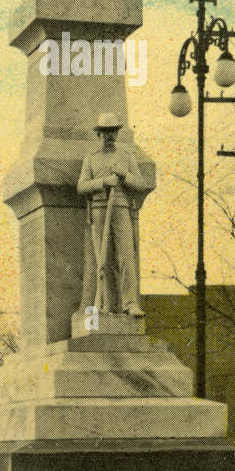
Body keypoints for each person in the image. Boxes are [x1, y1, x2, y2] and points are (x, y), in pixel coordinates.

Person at [77, 112, 144, 317]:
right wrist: (103, 183)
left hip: (121, 208)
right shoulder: (91, 159)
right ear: (99, 134)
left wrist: (124, 176)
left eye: (113, 131)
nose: (109, 135)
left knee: (126, 257)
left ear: (117, 133)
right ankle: (107, 304)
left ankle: (130, 303)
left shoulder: (126, 157)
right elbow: (81, 186)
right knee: (103, 259)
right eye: (105, 132)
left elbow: (141, 184)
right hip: (98, 209)